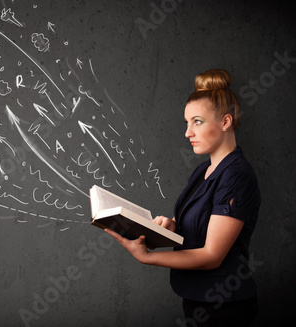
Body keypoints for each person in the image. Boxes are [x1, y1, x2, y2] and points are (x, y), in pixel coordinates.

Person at [105, 69, 261, 326]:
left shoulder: (237, 175)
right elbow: (191, 226)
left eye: (197, 121)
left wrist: (147, 257)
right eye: (186, 123)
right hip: (196, 300)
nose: (188, 132)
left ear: (225, 122)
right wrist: (169, 227)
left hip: (225, 308)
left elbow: (212, 255)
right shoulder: (203, 171)